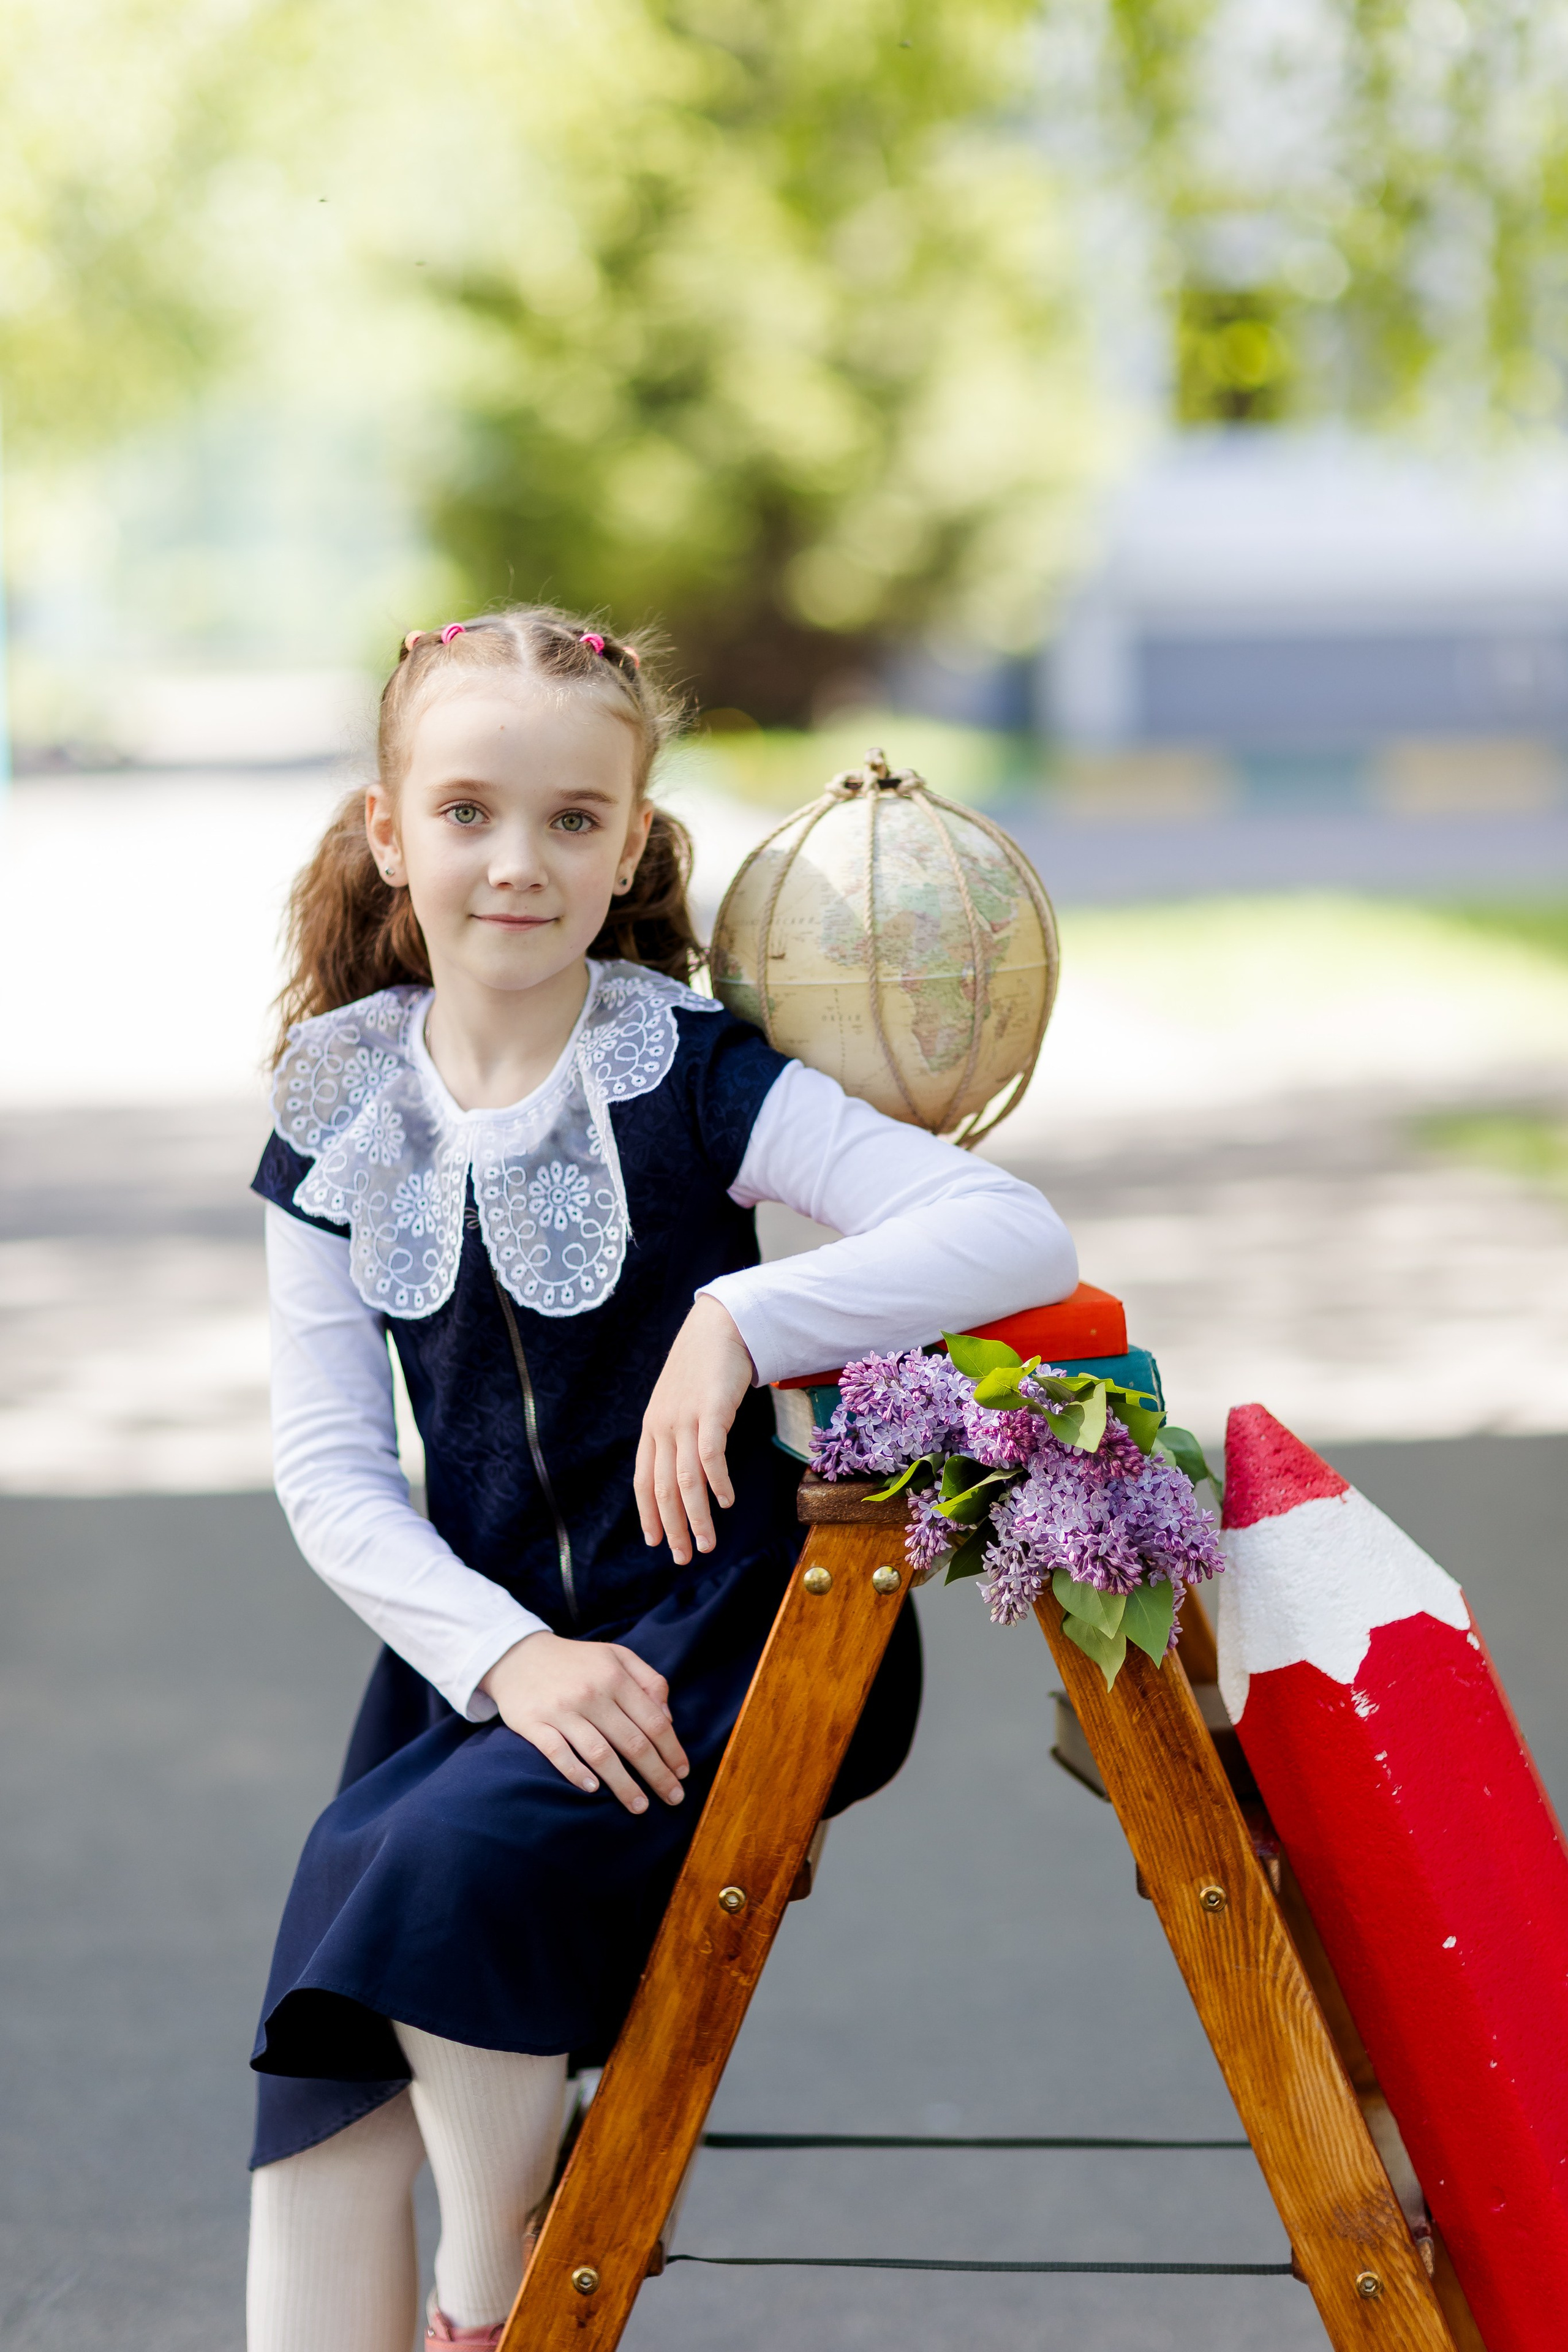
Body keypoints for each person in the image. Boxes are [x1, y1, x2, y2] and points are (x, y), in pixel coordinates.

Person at [244, 605, 1077, 2352]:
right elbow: (330, 1473)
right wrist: (503, 1661)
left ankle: (498, 2302)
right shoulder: (337, 1105)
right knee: (324, 2041)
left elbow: (1009, 1228)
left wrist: (745, 1313)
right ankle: (490, 2246)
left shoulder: (686, 1073)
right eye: (468, 813)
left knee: (448, 1877)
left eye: (571, 821)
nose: (518, 865)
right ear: (393, 833)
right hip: (476, 1659)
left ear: (631, 842)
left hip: (728, 1629)